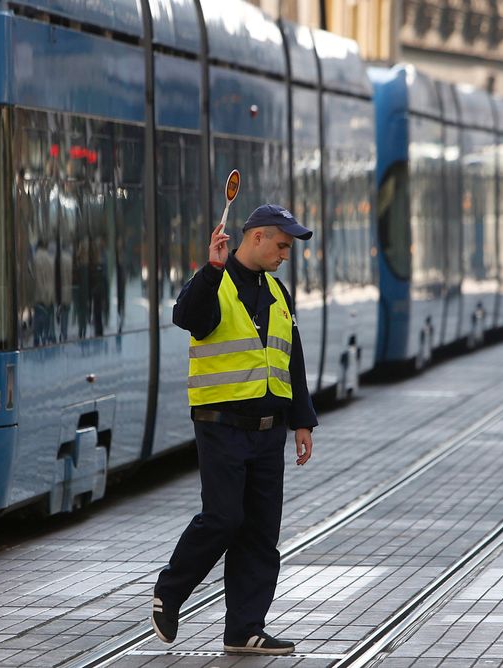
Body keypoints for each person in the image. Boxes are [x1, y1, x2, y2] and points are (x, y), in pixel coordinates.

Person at [151, 204, 318, 656]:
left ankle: (244, 629)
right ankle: (170, 589)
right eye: (282, 245)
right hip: (221, 426)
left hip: (269, 431)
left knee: (261, 532)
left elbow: (292, 360)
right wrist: (210, 269)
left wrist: (302, 421)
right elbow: (186, 316)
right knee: (224, 519)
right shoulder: (214, 282)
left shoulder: (279, 293)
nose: (286, 254)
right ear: (258, 237)